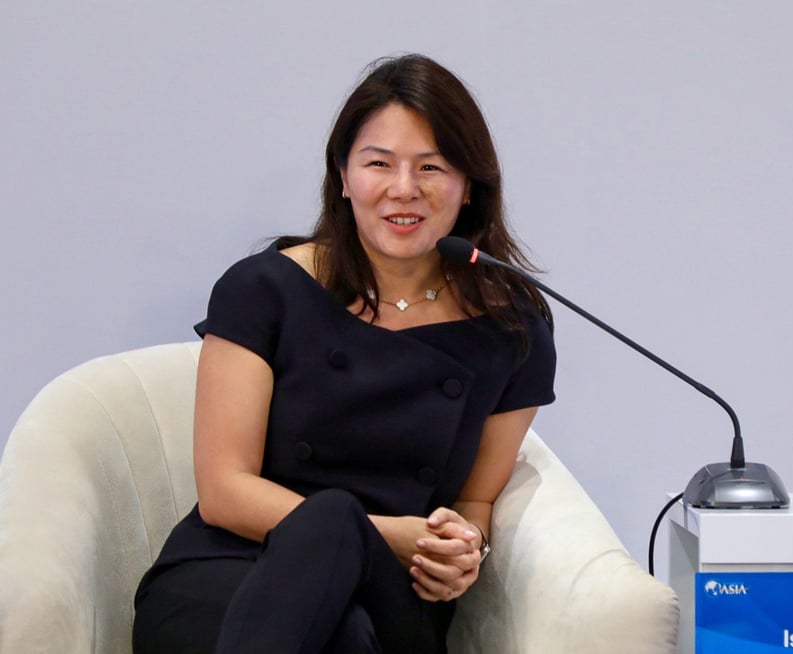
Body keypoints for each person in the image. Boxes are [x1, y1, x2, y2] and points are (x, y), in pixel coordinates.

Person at [132, 54, 556, 654]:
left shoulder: (512, 327)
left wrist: (463, 549)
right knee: (334, 547)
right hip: (226, 574)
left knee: (347, 595)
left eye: (431, 167)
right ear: (342, 175)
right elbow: (225, 490)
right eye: (378, 163)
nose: (402, 189)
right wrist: (376, 532)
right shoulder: (263, 290)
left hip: (391, 595)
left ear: (469, 188)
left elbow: (476, 499)